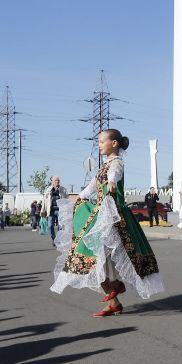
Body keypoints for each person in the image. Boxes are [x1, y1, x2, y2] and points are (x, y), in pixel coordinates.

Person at [52, 129, 163, 316]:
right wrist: (80, 197)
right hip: (102, 213)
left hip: (114, 216)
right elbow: (93, 186)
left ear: (114, 144)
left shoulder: (116, 163)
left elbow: (115, 174)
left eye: (102, 141)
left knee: (106, 253)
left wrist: (111, 181)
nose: (99, 144)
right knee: (95, 256)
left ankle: (115, 286)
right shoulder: (103, 167)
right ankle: (114, 300)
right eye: (99, 141)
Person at [47, 176, 63, 241]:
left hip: (60, 210)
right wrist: (43, 210)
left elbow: (66, 198)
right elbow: (45, 199)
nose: (57, 182)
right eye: (55, 180)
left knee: (61, 226)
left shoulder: (62, 189)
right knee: (50, 226)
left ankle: (59, 240)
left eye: (58, 180)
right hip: (51, 210)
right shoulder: (49, 189)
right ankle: (53, 239)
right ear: (52, 182)